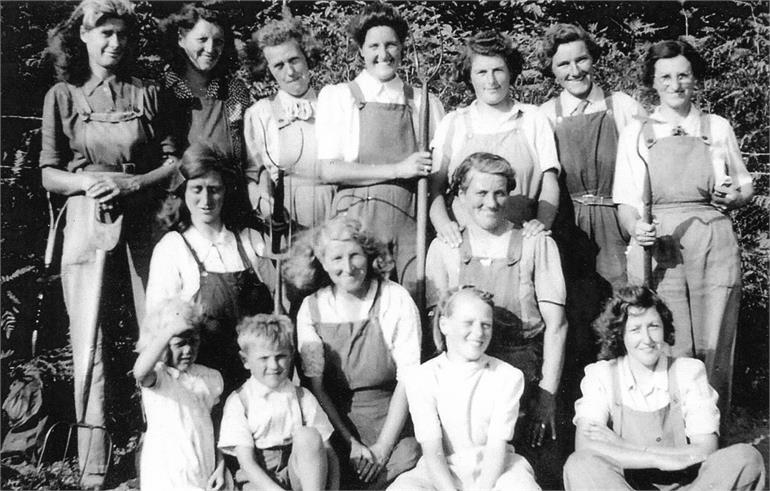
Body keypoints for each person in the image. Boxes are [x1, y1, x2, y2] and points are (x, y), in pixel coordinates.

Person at [40, 0, 178, 485]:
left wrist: (136, 184)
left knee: (159, 326)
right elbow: (49, 173)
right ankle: (93, 463)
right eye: (104, 33)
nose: (114, 42)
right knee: (88, 338)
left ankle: (170, 447)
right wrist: (85, 185)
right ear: (83, 35)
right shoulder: (63, 94)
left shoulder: (149, 92)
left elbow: (172, 162)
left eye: (122, 34)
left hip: (143, 217)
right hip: (85, 216)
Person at [613, 39, 754, 414]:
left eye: (683, 75)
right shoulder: (637, 132)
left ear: (695, 79)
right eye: (666, 78)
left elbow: (745, 185)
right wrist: (635, 229)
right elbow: (626, 201)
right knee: (665, 336)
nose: (675, 85)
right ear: (653, 83)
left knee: (715, 336)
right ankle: (670, 431)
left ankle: (711, 431)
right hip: (660, 244)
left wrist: (732, 197)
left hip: (713, 238)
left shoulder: (717, 127)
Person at [425, 152, 567, 488]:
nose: (491, 202)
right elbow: (436, 330)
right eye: (480, 193)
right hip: (464, 381)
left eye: (500, 193)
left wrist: (547, 396)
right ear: (460, 194)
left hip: (524, 375)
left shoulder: (536, 243)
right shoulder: (445, 246)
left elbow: (557, 326)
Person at [537, 23, 647, 451]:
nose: (574, 69)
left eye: (581, 59)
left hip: (616, 228)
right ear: (552, 70)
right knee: (575, 327)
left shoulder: (622, 106)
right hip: (569, 234)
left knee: (622, 323)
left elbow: (643, 171)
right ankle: (574, 436)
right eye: (563, 63)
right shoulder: (545, 115)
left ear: (594, 58)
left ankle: (630, 433)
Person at [563, 285, 766, 490]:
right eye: (635, 329)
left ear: (664, 328)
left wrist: (623, 447)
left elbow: (706, 449)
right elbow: (586, 447)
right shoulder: (602, 375)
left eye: (653, 326)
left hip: (691, 486)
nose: (647, 339)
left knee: (746, 458)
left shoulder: (687, 371)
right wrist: (656, 459)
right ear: (620, 334)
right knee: (580, 464)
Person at [315, 2, 445, 293]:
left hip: (412, 222)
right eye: (373, 45)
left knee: (416, 301)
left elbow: (439, 173)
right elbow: (329, 169)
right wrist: (400, 169)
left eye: (391, 45)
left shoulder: (425, 102)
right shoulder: (339, 97)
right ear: (361, 49)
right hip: (357, 224)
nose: (383, 54)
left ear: (402, 47)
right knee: (362, 302)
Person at [284, 216, 421, 489]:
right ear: (322, 261)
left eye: (354, 255)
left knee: (408, 464)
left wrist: (382, 447)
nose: (347, 267)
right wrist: (351, 444)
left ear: (368, 255)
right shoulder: (312, 309)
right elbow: (317, 387)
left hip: (389, 423)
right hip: (334, 424)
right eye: (336, 258)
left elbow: (409, 380)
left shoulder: (395, 299)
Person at [145, 142, 274, 399]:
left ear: (226, 191)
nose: (206, 200)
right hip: (202, 387)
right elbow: (157, 329)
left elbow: (282, 301)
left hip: (258, 383)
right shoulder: (172, 248)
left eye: (214, 190)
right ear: (183, 191)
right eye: (197, 189)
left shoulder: (251, 241)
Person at [389, 287, 540, 491]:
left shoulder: (507, 376)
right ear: (444, 324)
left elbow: (497, 448)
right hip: (441, 470)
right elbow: (433, 451)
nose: (478, 333)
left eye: (486, 325)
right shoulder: (421, 377)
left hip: (495, 468)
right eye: (468, 323)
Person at [430, 30, 560, 247]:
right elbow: (434, 188)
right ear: (469, 76)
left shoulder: (533, 118)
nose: (491, 80)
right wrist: (443, 224)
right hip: (463, 244)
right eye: (481, 72)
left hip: (521, 241)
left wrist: (542, 223)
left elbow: (549, 181)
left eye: (498, 70)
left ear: (510, 72)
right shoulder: (453, 123)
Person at [218, 314, 338, 491]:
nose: (274, 365)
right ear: (245, 361)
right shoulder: (240, 402)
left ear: (291, 355)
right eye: (264, 358)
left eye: (280, 356)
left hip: (299, 475)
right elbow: (247, 463)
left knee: (308, 435)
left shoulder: (302, 396)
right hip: (259, 481)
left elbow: (328, 453)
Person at [159, 3, 252, 223]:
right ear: (181, 39)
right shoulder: (163, 91)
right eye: (202, 40)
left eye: (218, 41)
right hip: (181, 205)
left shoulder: (234, 90)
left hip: (229, 201)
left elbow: (247, 153)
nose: (211, 49)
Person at [244, 17, 335, 231]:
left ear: (307, 57)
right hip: (287, 218)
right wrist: (266, 207)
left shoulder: (332, 104)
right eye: (279, 65)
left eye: (294, 60)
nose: (290, 72)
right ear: (268, 70)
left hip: (335, 210)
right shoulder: (259, 114)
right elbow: (255, 175)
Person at [133, 298, 225, 491]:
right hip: (167, 473)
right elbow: (140, 371)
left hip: (203, 467)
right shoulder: (158, 377)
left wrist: (221, 463)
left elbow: (214, 429)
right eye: (180, 343)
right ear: (163, 344)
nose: (188, 350)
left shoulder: (207, 377)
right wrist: (168, 331)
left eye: (193, 341)